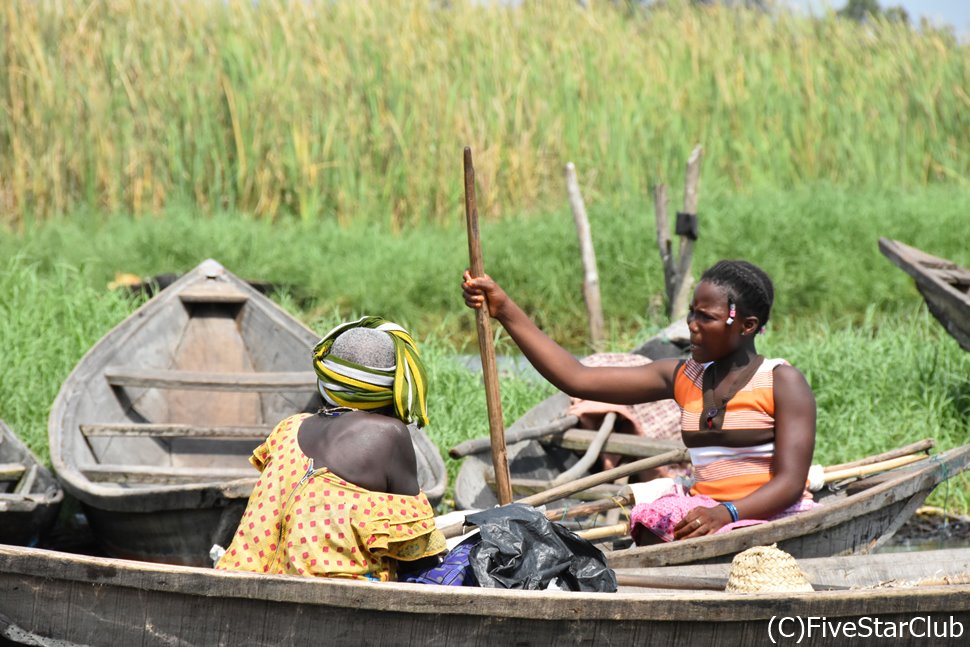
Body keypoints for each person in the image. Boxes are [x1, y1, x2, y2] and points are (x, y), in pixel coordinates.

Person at [462, 260, 816, 544]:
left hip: (766, 516)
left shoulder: (782, 381)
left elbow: (789, 482)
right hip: (708, 513)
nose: (692, 325)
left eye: (706, 317)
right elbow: (577, 378)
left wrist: (728, 513)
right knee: (648, 525)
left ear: (747, 326)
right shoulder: (683, 376)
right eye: (692, 313)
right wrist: (504, 309)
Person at [216, 316, 446, 579]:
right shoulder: (389, 434)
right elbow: (416, 544)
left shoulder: (288, 428)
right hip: (339, 601)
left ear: (326, 379)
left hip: (243, 579)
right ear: (390, 387)